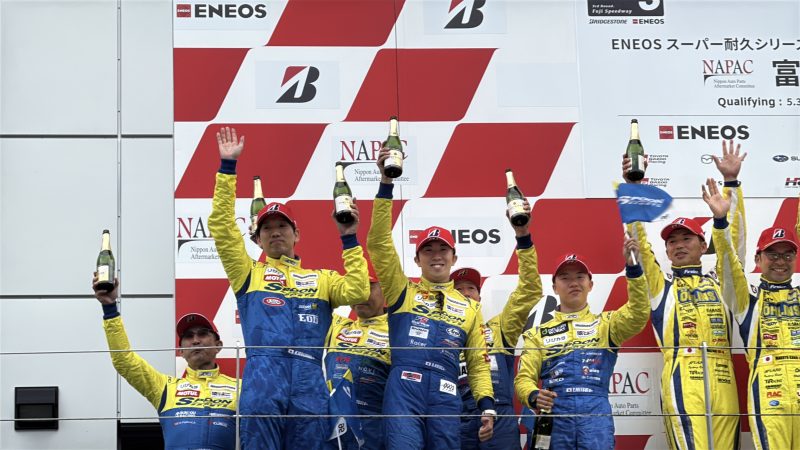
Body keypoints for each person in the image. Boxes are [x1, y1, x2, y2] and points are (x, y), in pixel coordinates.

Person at [208, 127, 371, 449]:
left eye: (282, 226)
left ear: (297, 234)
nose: (275, 232)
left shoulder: (322, 279)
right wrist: (227, 168)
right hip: (264, 377)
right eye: (267, 228)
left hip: (309, 379)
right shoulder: (248, 273)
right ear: (257, 239)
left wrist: (349, 237)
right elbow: (222, 228)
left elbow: (358, 291)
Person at [367, 149, 495, 449]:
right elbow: (378, 243)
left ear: (454, 257)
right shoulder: (402, 290)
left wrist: (486, 405)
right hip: (404, 390)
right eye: (428, 250)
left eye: (442, 250)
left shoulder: (469, 307)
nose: (436, 255)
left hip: (446, 392)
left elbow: (478, 363)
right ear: (417, 259)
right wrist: (386, 183)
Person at [623, 152, 743, 450]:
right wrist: (633, 186)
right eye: (672, 241)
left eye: (686, 238)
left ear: (703, 245)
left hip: (724, 376)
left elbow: (733, 245)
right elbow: (640, 245)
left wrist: (731, 184)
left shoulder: (722, 282)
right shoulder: (661, 286)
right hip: (682, 377)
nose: (678, 245)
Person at [514, 237, 649, 449]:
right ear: (555, 287)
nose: (574, 283)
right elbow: (523, 378)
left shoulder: (607, 324)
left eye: (580, 276)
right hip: (554, 417)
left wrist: (633, 270)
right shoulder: (537, 334)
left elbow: (638, 313)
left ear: (590, 284)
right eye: (565, 278)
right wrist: (533, 395)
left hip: (595, 418)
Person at [709, 141, 800, 450]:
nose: (780, 261)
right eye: (772, 254)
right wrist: (726, 203)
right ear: (758, 259)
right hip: (768, 398)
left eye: (787, 254)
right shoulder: (746, 299)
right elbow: (728, 261)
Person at [93, 277, 239, 450]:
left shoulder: (241, 387)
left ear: (218, 345)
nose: (195, 340)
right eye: (188, 336)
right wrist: (109, 308)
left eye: (202, 334)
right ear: (180, 351)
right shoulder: (165, 387)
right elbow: (124, 360)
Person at [453, 199, 543, 450]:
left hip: (500, 418)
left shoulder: (499, 328)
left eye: (471, 288)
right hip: (456, 417)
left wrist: (523, 236)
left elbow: (530, 291)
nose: (465, 294)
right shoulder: (439, 333)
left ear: (479, 297)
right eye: (458, 290)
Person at [324, 275, 390, 450]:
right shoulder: (337, 326)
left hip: (375, 430)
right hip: (333, 428)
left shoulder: (399, 331)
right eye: (357, 287)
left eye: (369, 286)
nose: (361, 294)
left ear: (385, 290)